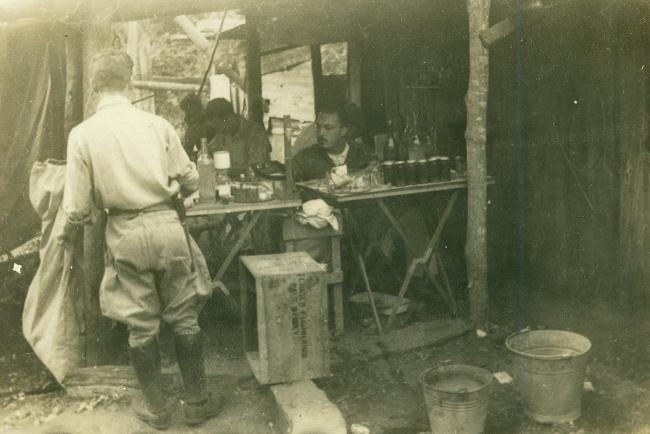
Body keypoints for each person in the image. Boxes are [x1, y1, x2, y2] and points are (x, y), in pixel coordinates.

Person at [62, 51, 219, 430]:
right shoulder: (157, 124)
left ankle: (156, 408)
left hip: (124, 231)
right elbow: (192, 179)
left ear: (95, 87)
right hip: (166, 224)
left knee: (141, 323)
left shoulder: (82, 135)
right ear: (129, 83)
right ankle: (196, 401)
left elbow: (77, 208)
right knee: (184, 316)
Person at [292, 105, 371, 182]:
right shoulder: (304, 158)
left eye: (328, 128)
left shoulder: (363, 152)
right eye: (318, 127)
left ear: (343, 131)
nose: (321, 133)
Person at [204, 97, 271, 174]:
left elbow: (256, 170)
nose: (218, 131)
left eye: (218, 126)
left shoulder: (256, 134)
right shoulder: (223, 133)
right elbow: (205, 153)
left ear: (228, 118)